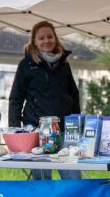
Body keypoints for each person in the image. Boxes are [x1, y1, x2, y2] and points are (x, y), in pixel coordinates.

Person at [9, 21, 81, 180]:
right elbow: (16, 98)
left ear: (55, 38)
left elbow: (74, 94)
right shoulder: (26, 65)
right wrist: (14, 128)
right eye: (41, 38)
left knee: (72, 175)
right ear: (34, 41)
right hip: (36, 128)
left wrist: (76, 123)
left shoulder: (64, 64)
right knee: (42, 177)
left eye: (49, 36)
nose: (46, 41)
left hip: (63, 129)